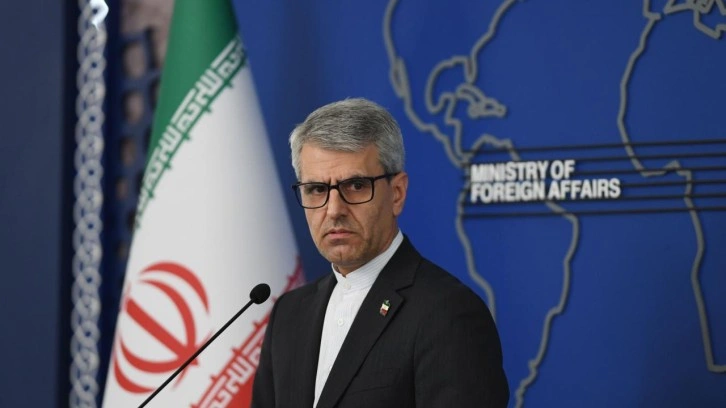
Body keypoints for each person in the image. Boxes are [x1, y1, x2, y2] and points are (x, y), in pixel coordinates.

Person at [251, 98, 509, 408]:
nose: (334, 210)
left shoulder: (448, 313)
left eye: (356, 185)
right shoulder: (289, 313)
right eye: (317, 189)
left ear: (397, 193)